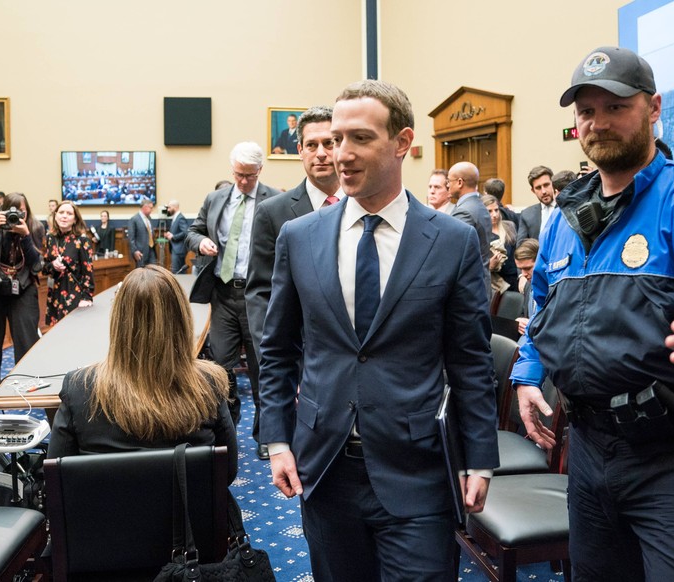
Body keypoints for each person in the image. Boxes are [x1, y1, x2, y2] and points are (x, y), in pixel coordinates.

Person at [259, 80, 498, 581]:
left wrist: (480, 458)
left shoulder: (452, 241)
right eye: (335, 138)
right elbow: (278, 349)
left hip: (419, 469)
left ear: (402, 143)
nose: (340, 154)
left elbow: (470, 360)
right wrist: (277, 440)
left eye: (359, 139)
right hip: (325, 467)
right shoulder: (298, 238)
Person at [511, 46, 674, 581]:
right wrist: (529, 373)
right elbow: (544, 306)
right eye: (586, 111)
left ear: (653, 109)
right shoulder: (564, 217)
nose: (598, 122)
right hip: (588, 450)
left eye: (615, 106)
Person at [47, 266, 238, 483]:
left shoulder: (79, 388)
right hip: (192, 516)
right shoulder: (209, 383)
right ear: (182, 318)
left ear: (118, 320)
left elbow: (58, 480)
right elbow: (227, 472)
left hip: (107, 516)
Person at [245, 105, 342, 459]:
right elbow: (260, 293)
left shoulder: (366, 205)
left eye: (329, 143)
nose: (321, 153)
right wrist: (279, 362)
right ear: (299, 150)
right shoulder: (274, 212)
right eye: (312, 144)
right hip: (300, 358)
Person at [186, 142, 280, 435]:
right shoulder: (216, 199)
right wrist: (200, 243)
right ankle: (228, 427)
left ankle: (265, 433)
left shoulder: (275, 200)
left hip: (259, 297)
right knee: (221, 369)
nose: (243, 181)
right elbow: (192, 231)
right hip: (223, 295)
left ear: (260, 171)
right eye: (239, 174)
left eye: (249, 176)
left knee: (261, 369)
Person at [0, 192, 45, 389]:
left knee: (26, 340)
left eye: (21, 210)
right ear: (3, 210)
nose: (17, 215)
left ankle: (28, 385)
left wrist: (25, 237)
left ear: (27, 210)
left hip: (23, 287)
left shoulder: (35, 226)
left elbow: (36, 263)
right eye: (12, 211)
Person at [43, 201, 94, 325]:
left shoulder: (82, 240)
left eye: (69, 213)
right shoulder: (50, 238)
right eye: (61, 212)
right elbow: (44, 268)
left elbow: (88, 271)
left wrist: (87, 297)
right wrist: (53, 265)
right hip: (54, 293)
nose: (64, 216)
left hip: (74, 294)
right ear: (55, 216)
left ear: (75, 219)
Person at [448, 161, 492, 290]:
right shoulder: (479, 205)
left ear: (460, 182)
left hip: (469, 287)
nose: (447, 185)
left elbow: (453, 251)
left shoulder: (464, 211)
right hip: (480, 283)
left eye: (449, 181)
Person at [482, 192, 518, 294]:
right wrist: (489, 266)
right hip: (496, 283)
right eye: (489, 211)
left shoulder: (509, 226)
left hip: (514, 278)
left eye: (496, 210)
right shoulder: (481, 233)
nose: (494, 215)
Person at [516, 165, 556, 241]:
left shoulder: (565, 208)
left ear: (553, 184)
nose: (543, 191)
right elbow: (522, 248)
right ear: (533, 191)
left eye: (546, 185)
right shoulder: (527, 215)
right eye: (538, 188)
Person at [127, 200, 156, 267]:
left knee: (153, 271)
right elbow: (131, 238)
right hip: (140, 252)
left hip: (151, 250)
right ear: (145, 207)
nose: (152, 210)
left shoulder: (149, 218)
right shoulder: (134, 219)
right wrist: (135, 251)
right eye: (151, 208)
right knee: (142, 274)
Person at [164, 200, 189, 274]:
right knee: (178, 272)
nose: (168, 210)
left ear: (175, 207)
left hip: (179, 250)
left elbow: (186, 232)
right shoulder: (176, 217)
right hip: (176, 249)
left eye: (169, 207)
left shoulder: (180, 218)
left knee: (177, 272)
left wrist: (173, 237)